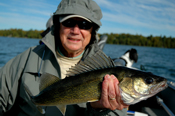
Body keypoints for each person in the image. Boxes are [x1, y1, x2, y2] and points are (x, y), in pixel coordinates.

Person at [0, 0, 128, 115]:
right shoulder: (26, 59)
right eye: (69, 22)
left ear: (92, 30)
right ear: (58, 26)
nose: (75, 31)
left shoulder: (111, 73)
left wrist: (99, 110)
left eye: (84, 24)